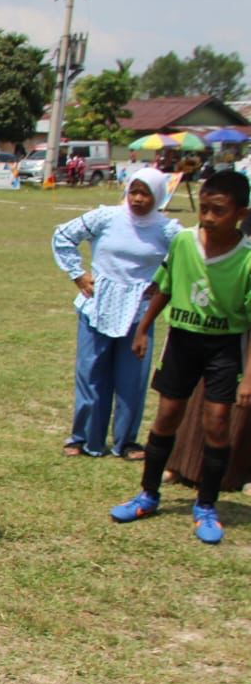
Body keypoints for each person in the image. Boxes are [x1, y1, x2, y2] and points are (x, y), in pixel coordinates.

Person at [111, 170, 251, 544]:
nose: (207, 218)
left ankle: (206, 505)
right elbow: (165, 287)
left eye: (217, 211)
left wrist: (249, 377)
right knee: (168, 415)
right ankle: (148, 495)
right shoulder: (185, 242)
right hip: (183, 342)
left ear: (241, 213)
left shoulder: (247, 258)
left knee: (217, 422)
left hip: (224, 347)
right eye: (203, 208)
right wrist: (143, 329)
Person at [51, 168, 180, 459]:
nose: (137, 198)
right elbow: (63, 235)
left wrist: (162, 282)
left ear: (159, 195)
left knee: (131, 379)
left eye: (145, 193)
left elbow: (186, 255)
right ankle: (84, 438)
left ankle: (127, 441)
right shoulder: (106, 217)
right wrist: (77, 274)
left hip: (139, 314)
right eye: (133, 191)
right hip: (97, 305)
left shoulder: (167, 229)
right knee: (91, 375)